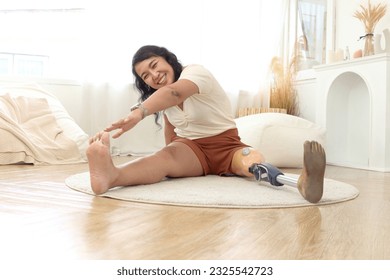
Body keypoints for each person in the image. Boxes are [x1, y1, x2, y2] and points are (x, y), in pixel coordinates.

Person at [86, 45, 326, 203]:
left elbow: (175, 93)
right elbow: (171, 134)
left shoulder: (195, 72)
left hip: (227, 146)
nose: (153, 75)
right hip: (191, 149)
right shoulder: (161, 100)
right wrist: (170, 159)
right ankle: (111, 176)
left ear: (168, 60)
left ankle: (302, 183)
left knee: (251, 162)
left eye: (154, 65)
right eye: (145, 76)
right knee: (162, 159)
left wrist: (138, 113)